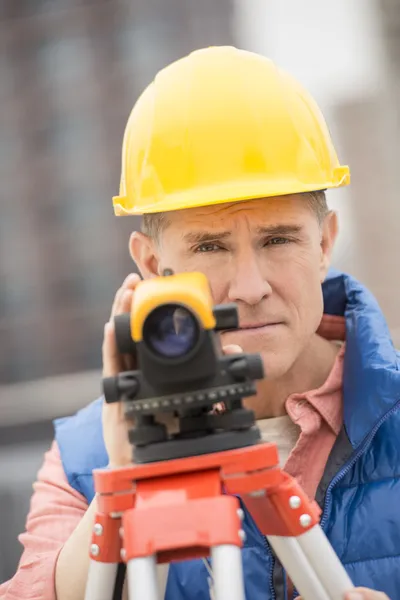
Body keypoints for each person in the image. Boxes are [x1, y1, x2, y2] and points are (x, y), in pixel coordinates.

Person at [0, 46, 398, 600]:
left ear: (326, 241)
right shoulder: (83, 457)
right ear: (150, 265)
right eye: (209, 246)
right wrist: (124, 479)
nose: (251, 286)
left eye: (278, 239)